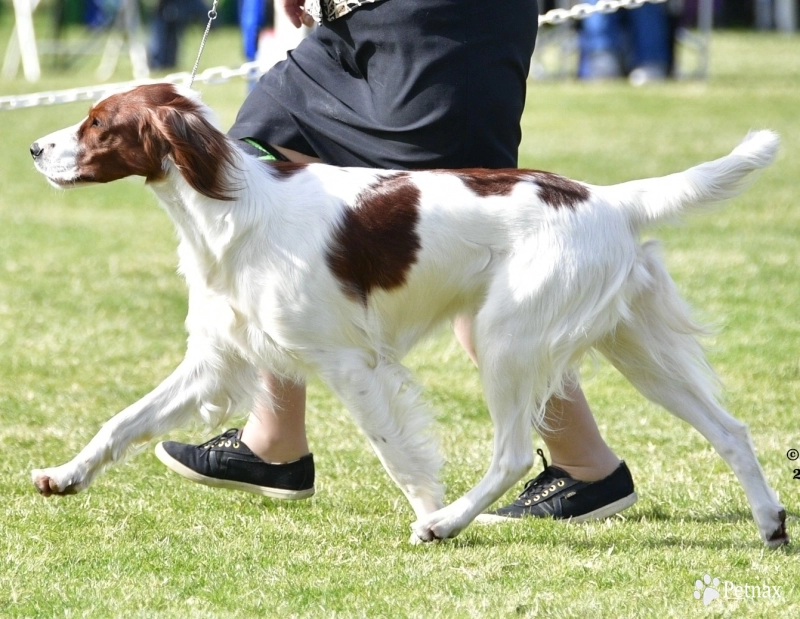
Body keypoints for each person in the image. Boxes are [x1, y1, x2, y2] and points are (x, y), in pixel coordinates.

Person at [156, 0, 638, 522]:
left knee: (468, 247)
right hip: (351, 26)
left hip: (443, 26)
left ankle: (587, 467)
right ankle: (272, 440)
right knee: (260, 152)